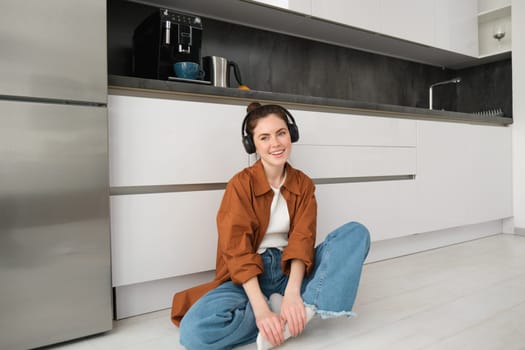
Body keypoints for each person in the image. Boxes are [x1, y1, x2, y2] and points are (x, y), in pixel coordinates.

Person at [171, 102, 370, 350]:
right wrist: (261, 309)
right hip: (250, 276)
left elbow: (302, 240)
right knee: (194, 333)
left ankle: (299, 311)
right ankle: (278, 314)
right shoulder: (239, 186)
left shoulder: (304, 184)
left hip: (290, 270)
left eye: (281, 133)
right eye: (264, 137)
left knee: (356, 233)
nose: (275, 144)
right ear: (252, 144)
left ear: (291, 134)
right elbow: (238, 252)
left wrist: (293, 293)